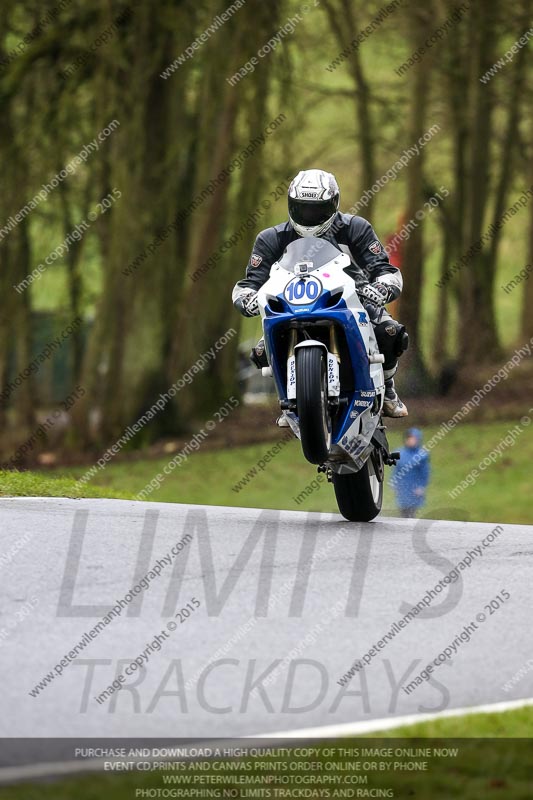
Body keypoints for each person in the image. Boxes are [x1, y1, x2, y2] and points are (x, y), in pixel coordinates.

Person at [231, 168, 409, 418]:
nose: (309, 215)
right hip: (290, 304)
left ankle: (388, 388)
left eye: (317, 209)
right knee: (260, 353)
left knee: (391, 334)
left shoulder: (355, 228)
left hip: (352, 298)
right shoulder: (271, 238)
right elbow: (250, 282)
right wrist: (246, 297)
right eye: (302, 207)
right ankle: (293, 397)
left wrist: (382, 285)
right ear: (291, 205)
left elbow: (384, 267)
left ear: (333, 204)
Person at [391, 428, 430, 518]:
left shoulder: (422, 455)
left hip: (414, 489)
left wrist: (421, 486)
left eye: (413, 438)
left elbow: (425, 473)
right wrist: (394, 484)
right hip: (402, 488)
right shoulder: (399, 453)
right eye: (409, 438)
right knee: (403, 511)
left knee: (412, 512)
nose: (410, 440)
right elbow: (395, 470)